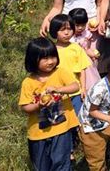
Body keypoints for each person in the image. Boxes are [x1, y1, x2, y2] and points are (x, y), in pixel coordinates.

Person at [18, 37, 80, 171]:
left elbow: (75, 86)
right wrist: (38, 106)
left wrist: (59, 89)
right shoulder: (28, 82)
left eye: (53, 57)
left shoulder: (60, 72)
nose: (51, 61)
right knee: (41, 166)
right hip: (38, 132)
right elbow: (25, 107)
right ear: (33, 60)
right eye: (45, 58)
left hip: (62, 128)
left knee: (61, 162)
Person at [49, 14, 91, 115]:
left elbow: (82, 69)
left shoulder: (76, 48)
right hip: (57, 91)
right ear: (55, 31)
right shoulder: (51, 50)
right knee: (61, 118)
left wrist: (83, 88)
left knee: (78, 116)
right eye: (62, 30)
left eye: (70, 29)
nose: (67, 33)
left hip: (75, 91)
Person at [68, 8, 101, 94]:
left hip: (86, 61)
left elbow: (87, 48)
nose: (80, 28)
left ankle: (91, 92)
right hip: (74, 61)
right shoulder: (69, 36)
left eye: (83, 25)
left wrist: (92, 53)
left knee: (90, 76)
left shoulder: (86, 34)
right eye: (77, 25)